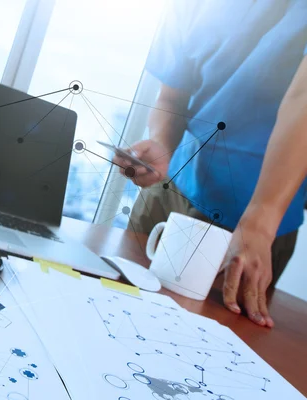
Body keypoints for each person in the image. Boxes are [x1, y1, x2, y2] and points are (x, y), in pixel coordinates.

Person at [114, 0, 307, 328]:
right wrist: (163, 144)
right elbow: (171, 97)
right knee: (114, 309)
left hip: (253, 224)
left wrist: (260, 222)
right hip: (169, 193)